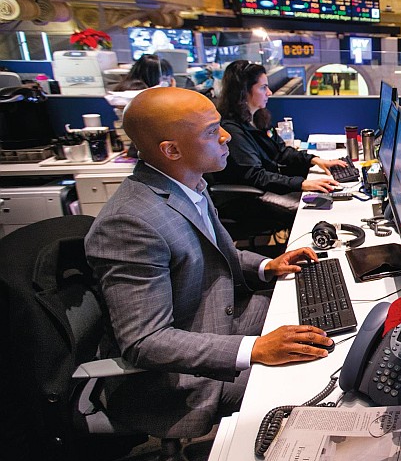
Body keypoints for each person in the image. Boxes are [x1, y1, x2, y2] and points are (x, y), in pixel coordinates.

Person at [85, 87, 334, 439]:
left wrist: (268, 266)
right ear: (171, 150)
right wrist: (254, 348)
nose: (226, 136)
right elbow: (145, 342)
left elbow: (218, 254)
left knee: (323, 318)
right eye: (210, 131)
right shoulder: (130, 223)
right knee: (314, 378)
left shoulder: (189, 183)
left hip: (222, 317)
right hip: (180, 380)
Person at [213, 60, 347, 224]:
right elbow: (255, 176)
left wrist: (316, 160)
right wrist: (302, 183)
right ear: (243, 92)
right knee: (316, 209)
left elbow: (281, 151)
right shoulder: (232, 130)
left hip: (269, 186)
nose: (269, 92)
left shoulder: (257, 118)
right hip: (251, 196)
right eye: (263, 87)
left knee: (325, 198)